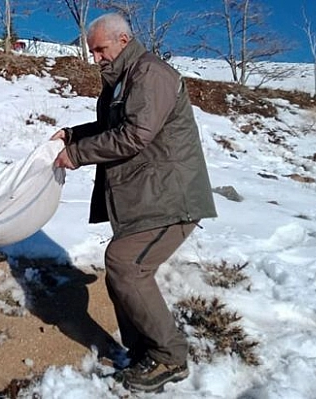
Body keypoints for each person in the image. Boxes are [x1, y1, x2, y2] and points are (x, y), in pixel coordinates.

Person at [51, 13, 217, 393]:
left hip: (171, 198)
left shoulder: (150, 74)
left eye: (100, 49)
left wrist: (77, 154)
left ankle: (169, 357)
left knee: (125, 265)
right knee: (124, 268)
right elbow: (116, 126)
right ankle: (145, 350)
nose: (95, 58)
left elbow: (134, 135)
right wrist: (72, 135)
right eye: (92, 51)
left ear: (123, 40)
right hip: (145, 197)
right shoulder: (125, 80)